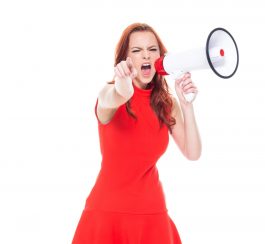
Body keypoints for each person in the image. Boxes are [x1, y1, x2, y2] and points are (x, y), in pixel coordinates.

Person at [72, 22, 202, 244]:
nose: (146, 56)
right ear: (125, 59)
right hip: (106, 214)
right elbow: (117, 95)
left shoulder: (166, 103)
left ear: (160, 58)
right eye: (136, 51)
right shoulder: (108, 94)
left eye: (152, 50)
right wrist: (124, 84)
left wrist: (187, 105)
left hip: (152, 215)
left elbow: (193, 152)